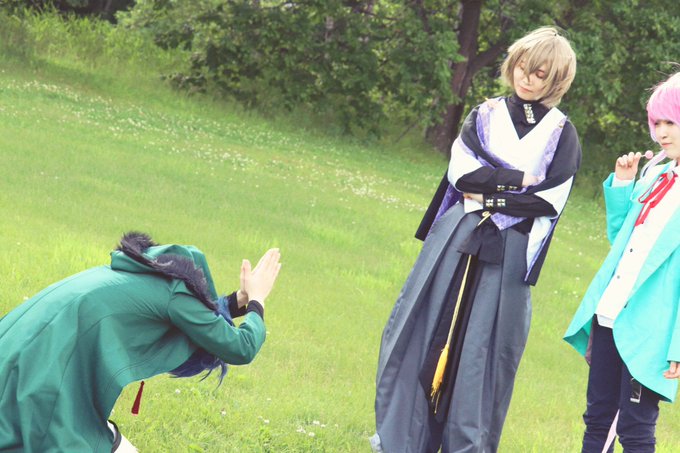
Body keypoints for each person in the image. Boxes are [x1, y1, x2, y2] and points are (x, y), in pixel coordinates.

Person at [372, 27, 581, 453]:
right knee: (423, 326)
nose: (526, 79)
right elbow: (461, 175)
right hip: (458, 236)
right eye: (522, 67)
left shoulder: (562, 133)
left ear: (556, 80)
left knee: (485, 353)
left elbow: (548, 200)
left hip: (510, 250)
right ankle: (406, 438)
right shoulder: (484, 114)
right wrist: (518, 180)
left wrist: (490, 193)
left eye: (539, 74)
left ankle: (466, 445)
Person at [0, 232, 281, 452]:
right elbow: (240, 348)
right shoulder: (177, 295)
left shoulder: (137, 273)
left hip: (16, 354)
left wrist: (239, 300)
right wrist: (257, 299)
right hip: (46, 378)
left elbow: (194, 317)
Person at [564, 72, 680, 453]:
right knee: (598, 420)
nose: (662, 132)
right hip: (610, 315)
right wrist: (623, 186)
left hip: (651, 331)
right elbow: (621, 241)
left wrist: (678, 347)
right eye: (657, 123)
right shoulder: (656, 176)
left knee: (634, 429)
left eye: (671, 122)